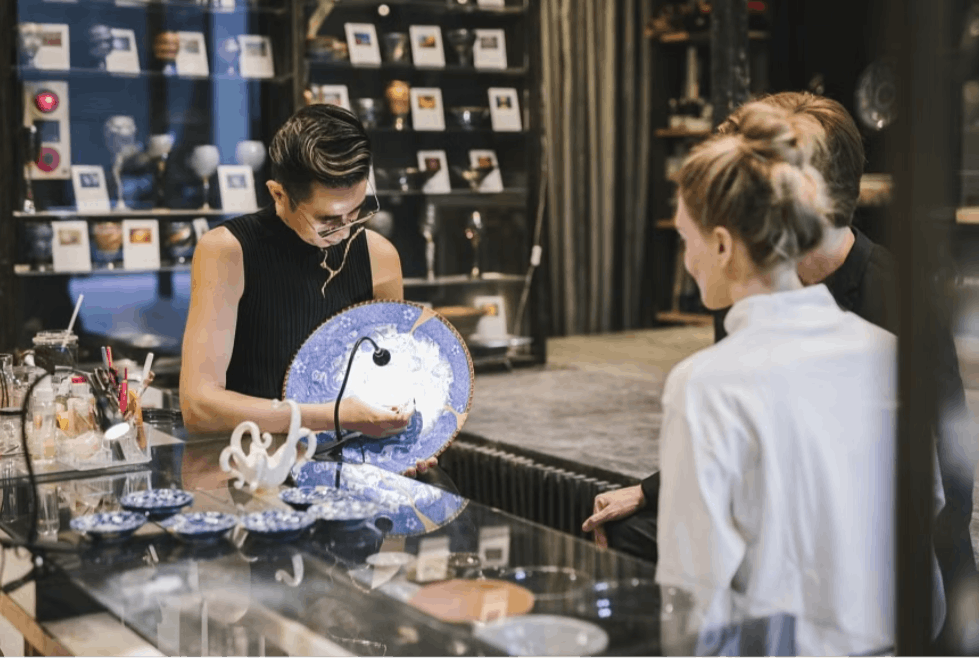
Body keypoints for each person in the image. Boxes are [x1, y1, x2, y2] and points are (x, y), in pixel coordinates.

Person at [584, 93, 972, 592]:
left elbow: (948, 477)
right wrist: (654, 489)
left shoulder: (896, 301)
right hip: (784, 513)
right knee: (628, 532)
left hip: (882, 546)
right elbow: (745, 425)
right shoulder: (742, 284)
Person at [616, 103, 899, 655]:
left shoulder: (705, 385)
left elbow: (695, 596)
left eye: (684, 239)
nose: (688, 261)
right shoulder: (884, 353)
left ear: (722, 245)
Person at [179, 104, 436, 475]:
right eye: (328, 220)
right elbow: (199, 408)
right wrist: (332, 415)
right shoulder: (228, 251)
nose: (346, 232)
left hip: (351, 473)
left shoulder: (379, 256)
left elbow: (393, 382)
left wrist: (407, 438)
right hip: (254, 477)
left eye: (358, 211)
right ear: (279, 195)